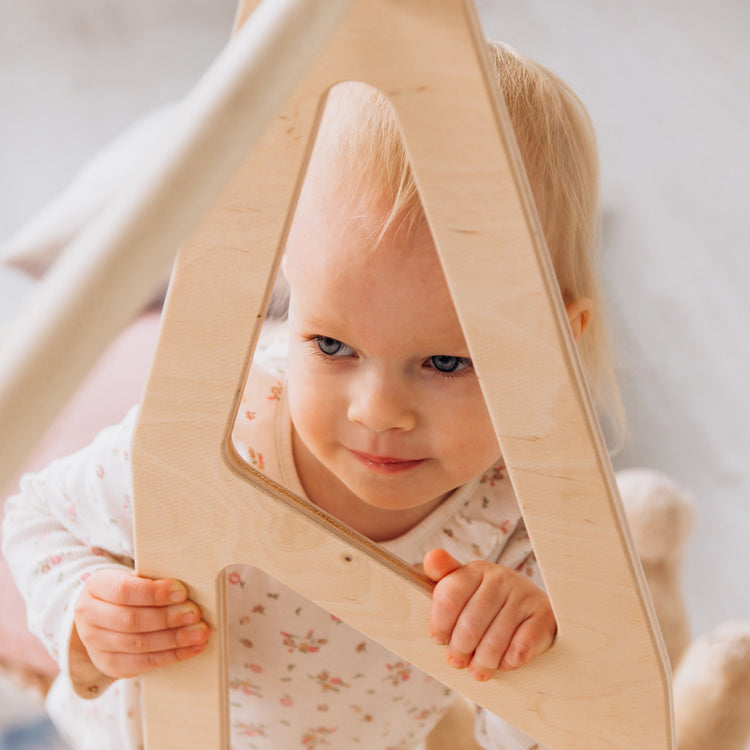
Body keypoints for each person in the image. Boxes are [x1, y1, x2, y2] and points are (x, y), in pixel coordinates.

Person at [2, 41, 619, 750]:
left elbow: (532, 733)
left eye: (447, 361)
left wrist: (527, 648)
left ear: (556, 344)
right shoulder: (223, 426)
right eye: (330, 346)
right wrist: (85, 616)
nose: (377, 411)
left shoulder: (537, 516)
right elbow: (39, 517)